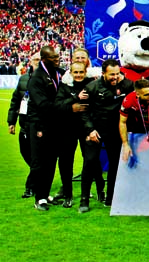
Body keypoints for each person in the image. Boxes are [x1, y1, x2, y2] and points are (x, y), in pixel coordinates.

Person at [79, 58, 134, 212]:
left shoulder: (128, 85)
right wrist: (90, 130)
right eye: (111, 74)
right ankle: (84, 200)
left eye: (117, 73)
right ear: (103, 73)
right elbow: (84, 112)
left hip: (115, 131)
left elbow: (141, 92)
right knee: (89, 162)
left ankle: (111, 197)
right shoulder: (92, 87)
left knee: (115, 165)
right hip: (95, 131)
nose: (115, 77)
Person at [26, 45, 64, 211]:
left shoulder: (57, 73)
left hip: (54, 124)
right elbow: (42, 105)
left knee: (51, 161)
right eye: (53, 58)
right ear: (44, 59)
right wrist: (66, 107)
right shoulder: (36, 78)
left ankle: (45, 193)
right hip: (40, 125)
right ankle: (38, 198)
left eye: (57, 57)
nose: (57, 60)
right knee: (40, 161)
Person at [52, 62, 93, 208]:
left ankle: (86, 194)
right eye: (75, 72)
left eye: (81, 72)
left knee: (90, 160)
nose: (78, 75)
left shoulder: (91, 84)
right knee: (65, 162)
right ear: (71, 72)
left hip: (85, 129)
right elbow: (57, 106)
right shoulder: (64, 86)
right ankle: (68, 195)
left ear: (85, 71)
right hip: (67, 129)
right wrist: (75, 98)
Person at [7, 52, 40, 198]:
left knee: (36, 158)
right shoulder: (23, 79)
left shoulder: (49, 79)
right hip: (24, 126)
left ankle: (30, 187)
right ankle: (39, 175)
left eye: (40, 60)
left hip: (40, 127)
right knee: (26, 155)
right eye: (35, 60)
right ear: (30, 62)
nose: (38, 62)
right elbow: (15, 101)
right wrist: (11, 121)